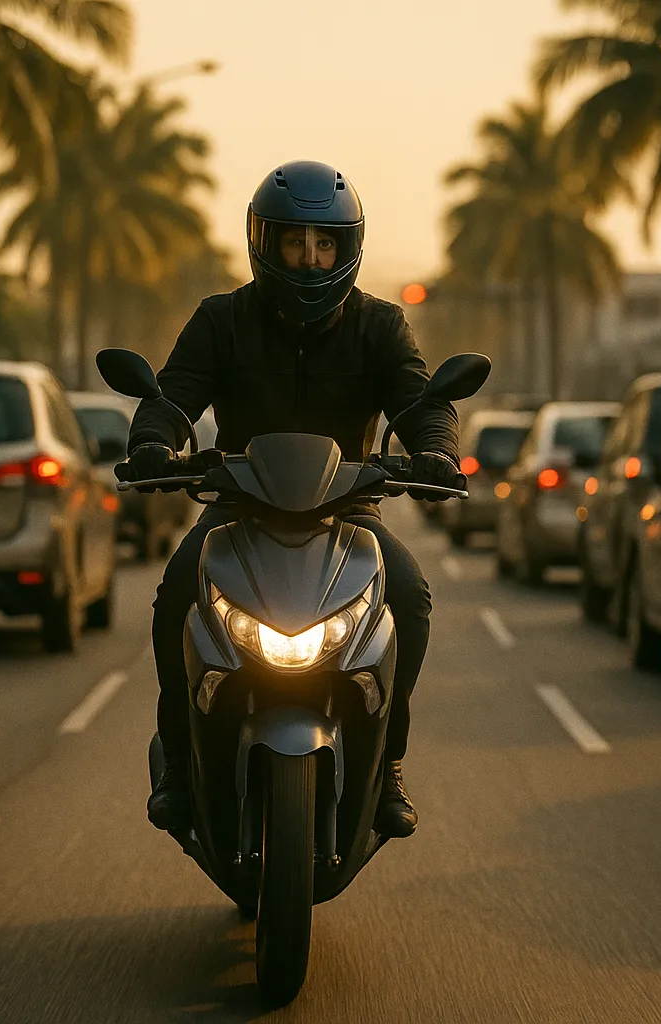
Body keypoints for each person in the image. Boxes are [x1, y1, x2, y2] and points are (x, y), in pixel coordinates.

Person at [120, 160, 464, 839]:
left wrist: (438, 450)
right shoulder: (222, 319)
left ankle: (388, 763)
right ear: (266, 244)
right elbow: (173, 396)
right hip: (237, 508)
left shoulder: (381, 326)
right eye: (295, 242)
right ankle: (181, 769)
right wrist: (153, 443)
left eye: (324, 244)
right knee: (175, 595)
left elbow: (422, 403)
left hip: (349, 514)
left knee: (410, 596)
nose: (310, 258)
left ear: (347, 247)